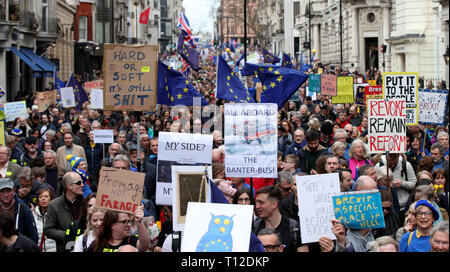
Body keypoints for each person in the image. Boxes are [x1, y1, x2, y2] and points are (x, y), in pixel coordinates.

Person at [253, 185, 308, 252]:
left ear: (274, 204)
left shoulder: (294, 228)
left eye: (261, 203)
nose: (257, 206)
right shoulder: (254, 228)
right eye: (256, 203)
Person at [331, 176, 378, 252]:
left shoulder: (377, 207)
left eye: (376, 190)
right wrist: (341, 241)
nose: (375, 194)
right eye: (371, 191)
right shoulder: (347, 208)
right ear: (359, 190)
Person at [44, 171, 84, 252]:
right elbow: (48, 230)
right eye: (79, 183)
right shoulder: (54, 205)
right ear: (69, 186)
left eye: (82, 182)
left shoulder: (86, 203)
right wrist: (68, 234)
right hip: (65, 248)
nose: (82, 185)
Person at [0, 177, 38, 243]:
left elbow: (33, 236)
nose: (6, 195)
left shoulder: (23, 209)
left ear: (14, 191)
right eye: (2, 191)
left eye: (9, 191)